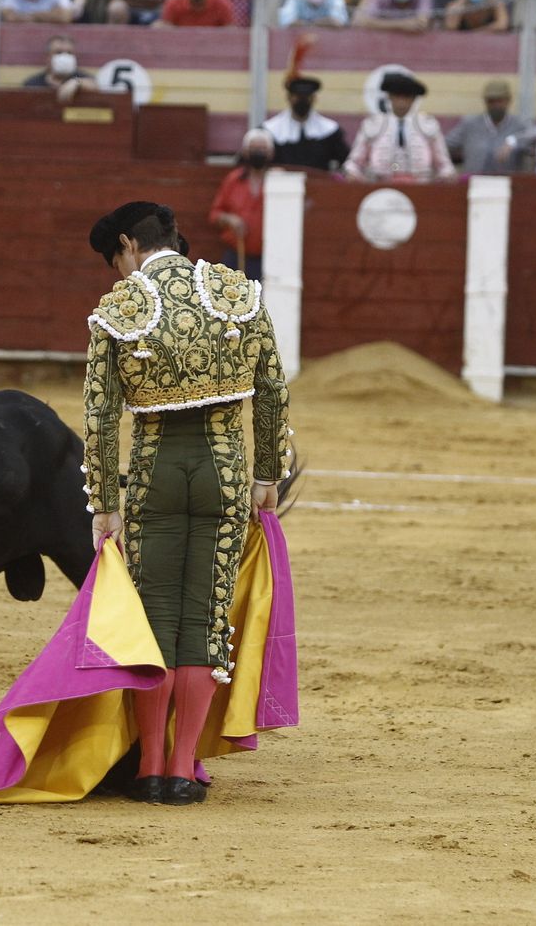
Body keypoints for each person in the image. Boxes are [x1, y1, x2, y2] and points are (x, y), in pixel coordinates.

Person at [82, 200, 291, 806]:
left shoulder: (120, 308)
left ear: (128, 244)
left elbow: (99, 416)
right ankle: (181, 768)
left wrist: (104, 500)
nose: (117, 274)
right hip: (225, 471)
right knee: (203, 618)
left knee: (155, 621)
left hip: (153, 475)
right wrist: (266, 475)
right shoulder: (237, 293)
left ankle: (148, 767)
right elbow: (273, 392)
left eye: (114, 260)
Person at [344, 72, 457, 183]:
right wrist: (353, 174)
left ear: (413, 99)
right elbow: (354, 163)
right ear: (389, 97)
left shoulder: (428, 124)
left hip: (421, 185)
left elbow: (444, 164)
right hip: (379, 185)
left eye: (407, 97)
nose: (402, 101)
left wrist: (446, 175)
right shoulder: (373, 124)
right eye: (397, 96)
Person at [208, 129, 274, 277]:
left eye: (262, 148)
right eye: (254, 149)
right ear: (245, 152)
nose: (258, 152)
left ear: (271, 153)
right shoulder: (233, 180)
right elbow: (214, 214)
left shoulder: (278, 181)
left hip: (270, 257)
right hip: (237, 254)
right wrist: (229, 219)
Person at [445, 79, 536, 173]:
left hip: (509, 184)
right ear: (485, 102)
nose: (495, 105)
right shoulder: (470, 124)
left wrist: (513, 141)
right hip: (475, 183)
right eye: (491, 101)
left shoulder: (518, 124)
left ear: (508, 100)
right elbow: (444, 145)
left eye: (499, 101)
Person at [262, 75, 350, 172]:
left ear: (314, 99)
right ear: (289, 98)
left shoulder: (330, 131)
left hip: (319, 184)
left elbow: (346, 161)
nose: (302, 101)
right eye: (298, 97)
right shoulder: (270, 129)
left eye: (307, 97)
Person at [22, 34, 99, 104]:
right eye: (58, 52)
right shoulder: (33, 83)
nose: (64, 56)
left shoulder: (80, 77)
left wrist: (76, 82)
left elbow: (95, 86)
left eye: (69, 53)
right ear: (48, 57)